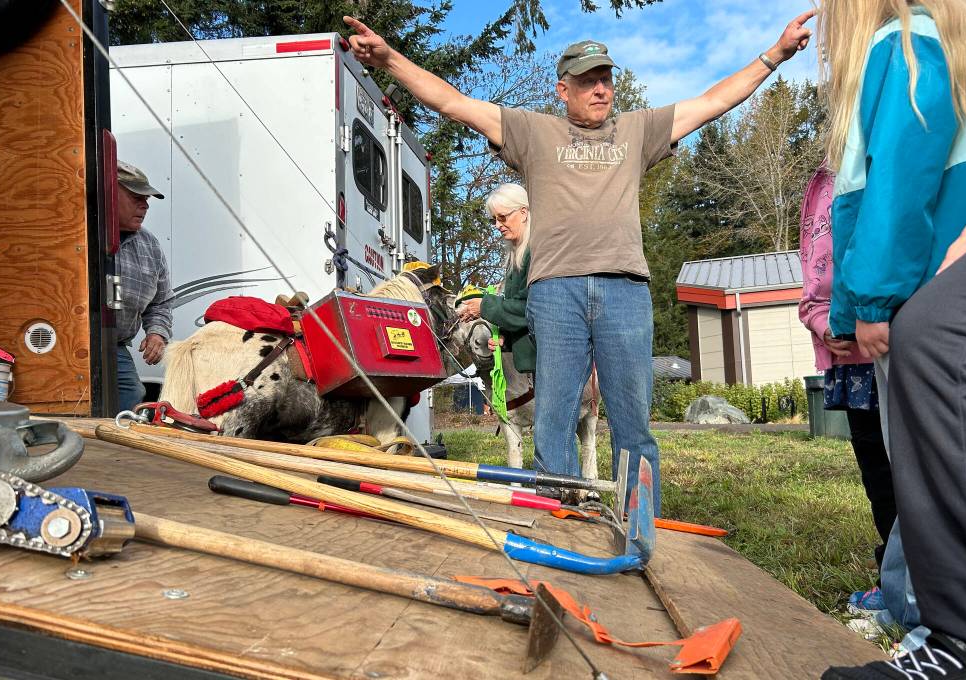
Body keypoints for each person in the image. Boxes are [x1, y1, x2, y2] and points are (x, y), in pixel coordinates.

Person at [343, 11, 815, 513]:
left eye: (606, 79)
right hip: (556, 294)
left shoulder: (639, 131)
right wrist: (390, 59)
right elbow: (456, 103)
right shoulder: (533, 132)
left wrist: (775, 55)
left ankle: (639, 525)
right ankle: (562, 518)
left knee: (632, 418)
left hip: (625, 292)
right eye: (588, 80)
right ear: (562, 89)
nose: (601, 89)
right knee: (554, 417)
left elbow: (712, 101)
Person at [818, 0, 966, 631]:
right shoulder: (935, 46)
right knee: (936, 463)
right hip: (935, 288)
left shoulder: (901, 45)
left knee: (930, 470)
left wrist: (870, 300)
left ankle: (943, 624)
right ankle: (915, 602)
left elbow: (897, 181)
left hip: (919, 297)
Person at [823, 159, 966, 680]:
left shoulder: (906, 79)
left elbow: (898, 180)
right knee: (897, 464)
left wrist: (860, 304)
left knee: (939, 338)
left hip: (896, 294)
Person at [798, 162, 896, 613]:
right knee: (880, 477)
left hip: (899, 346)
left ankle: (931, 584)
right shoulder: (823, 183)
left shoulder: (894, 158)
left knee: (921, 473)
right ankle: (893, 580)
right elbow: (813, 289)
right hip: (852, 362)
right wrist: (824, 326)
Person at [456, 183, 534, 374]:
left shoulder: (536, 252)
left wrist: (484, 306)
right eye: (494, 220)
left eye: (502, 217)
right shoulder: (516, 257)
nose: (498, 225)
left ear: (523, 213)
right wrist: (506, 339)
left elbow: (532, 307)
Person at [115, 160, 173, 413]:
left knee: (131, 392)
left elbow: (160, 302)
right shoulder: (77, 234)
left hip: (114, 344)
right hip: (73, 345)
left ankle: (113, 449)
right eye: (136, 196)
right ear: (108, 194)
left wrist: (157, 332)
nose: (146, 205)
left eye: (146, 198)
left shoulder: (149, 245)